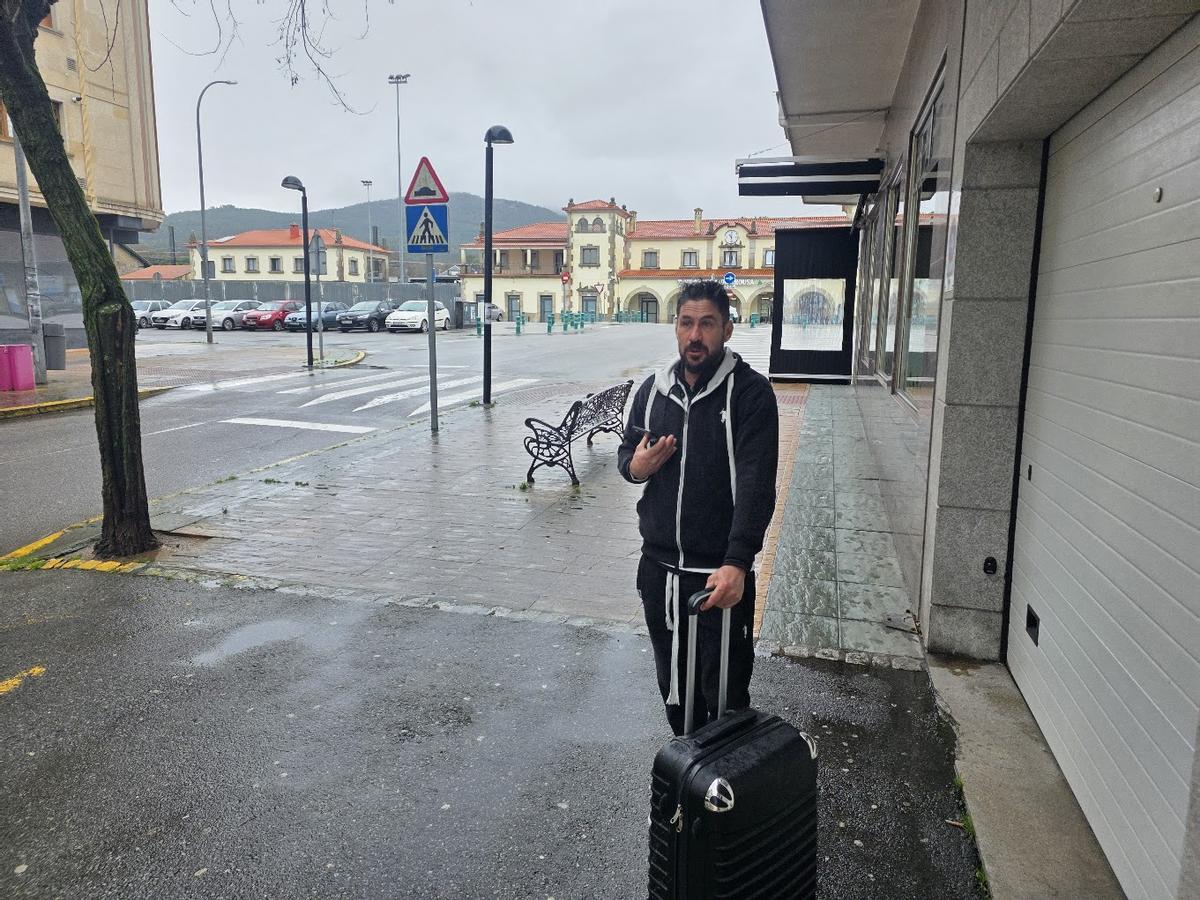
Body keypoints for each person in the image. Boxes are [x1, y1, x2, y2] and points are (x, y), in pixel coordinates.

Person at [618, 280, 779, 735]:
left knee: (724, 700)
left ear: (727, 330)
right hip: (659, 573)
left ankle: (723, 777)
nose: (695, 335)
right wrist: (637, 467)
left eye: (707, 324)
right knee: (674, 690)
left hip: (717, 577)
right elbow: (627, 456)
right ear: (675, 327)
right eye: (686, 323)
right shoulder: (653, 391)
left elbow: (756, 485)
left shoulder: (750, 394)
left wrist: (738, 563)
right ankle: (688, 772)